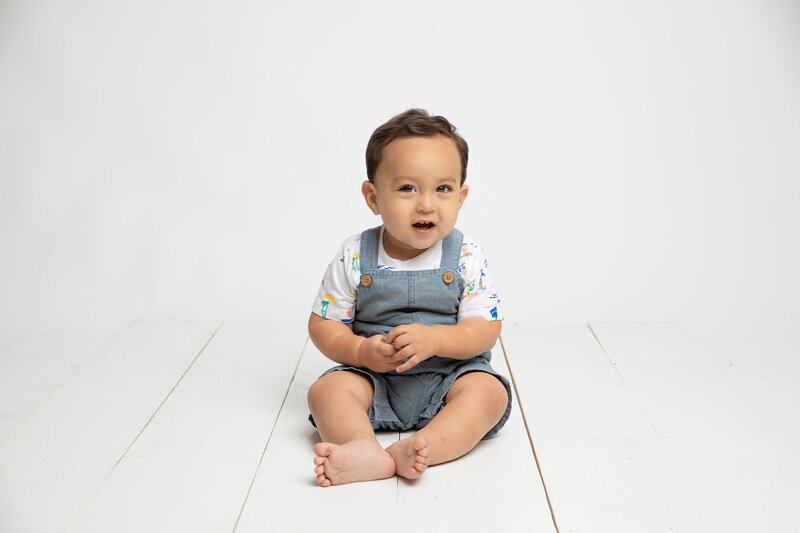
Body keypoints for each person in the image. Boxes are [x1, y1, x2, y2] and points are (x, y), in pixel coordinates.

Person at [307, 108, 512, 487]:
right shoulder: (355, 253)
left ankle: (425, 445)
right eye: (407, 188)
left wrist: (437, 339)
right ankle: (361, 447)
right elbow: (323, 325)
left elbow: (485, 328)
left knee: (489, 392)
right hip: (374, 378)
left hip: (451, 376)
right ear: (373, 197)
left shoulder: (466, 254)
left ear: (462, 196)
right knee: (327, 390)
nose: (426, 204)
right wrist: (360, 352)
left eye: (443, 188)